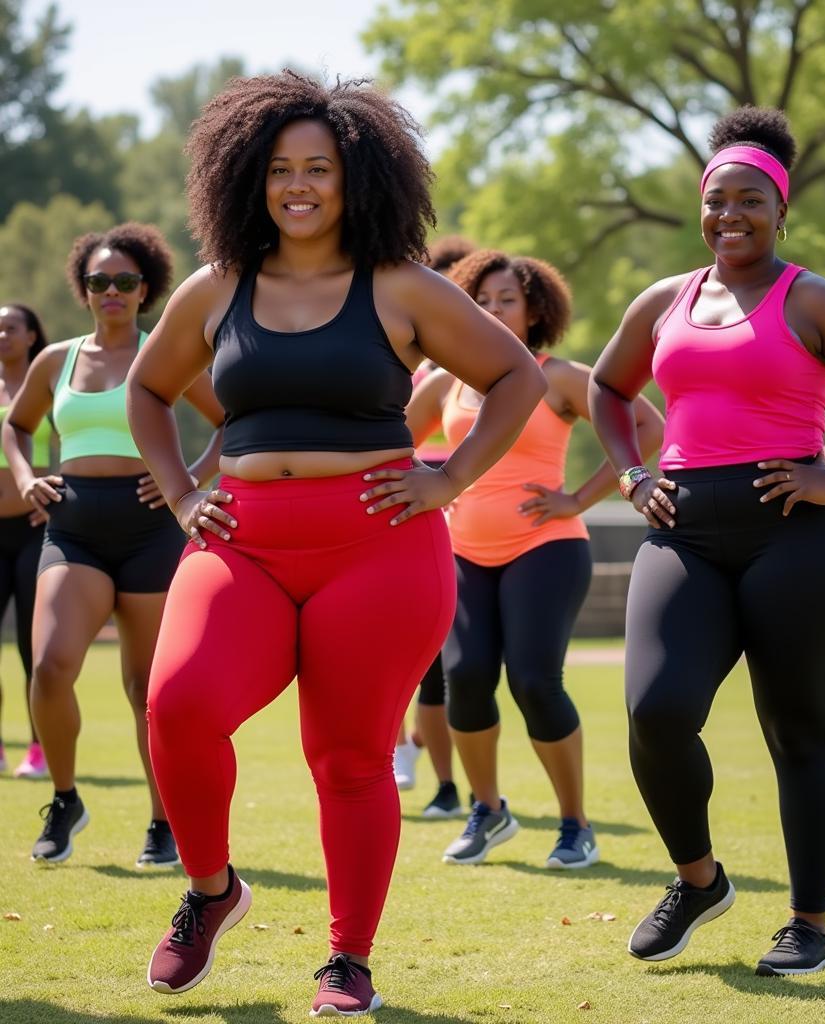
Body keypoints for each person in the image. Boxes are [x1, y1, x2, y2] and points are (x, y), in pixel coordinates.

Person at [127, 72, 545, 1017]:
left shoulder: (400, 285)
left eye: (320, 167)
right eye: (280, 169)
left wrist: (449, 478)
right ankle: (210, 891)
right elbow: (148, 392)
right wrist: (186, 490)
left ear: (358, 177)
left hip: (380, 544)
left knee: (350, 757)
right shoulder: (218, 286)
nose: (299, 185)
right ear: (249, 179)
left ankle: (347, 959)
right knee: (178, 707)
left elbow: (514, 377)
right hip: (243, 542)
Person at [588, 106, 825, 976]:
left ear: (780, 210)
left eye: (750, 200)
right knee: (656, 710)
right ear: (701, 207)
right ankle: (699, 880)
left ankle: (808, 927)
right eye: (717, 201)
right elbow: (606, 388)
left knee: (798, 733)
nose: (731, 217)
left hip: (799, 532)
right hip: (685, 531)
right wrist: (633, 475)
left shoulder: (818, 300)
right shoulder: (663, 301)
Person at [407, 248, 663, 869]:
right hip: (464, 551)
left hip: (545, 549)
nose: (493, 309)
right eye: (483, 300)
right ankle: (487, 810)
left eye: (508, 300)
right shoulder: (444, 382)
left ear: (535, 311)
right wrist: (424, 494)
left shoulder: (561, 376)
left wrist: (578, 496)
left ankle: (575, 824)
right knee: (464, 678)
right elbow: (388, 444)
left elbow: (648, 428)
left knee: (532, 680)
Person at [2, 224, 224, 869]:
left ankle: (163, 821)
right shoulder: (57, 361)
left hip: (150, 529)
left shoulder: (166, 352)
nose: (112, 292)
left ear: (146, 289)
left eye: (125, 282)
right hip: (74, 529)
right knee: (49, 666)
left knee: (145, 689)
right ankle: (65, 798)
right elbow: (16, 428)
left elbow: (229, 419)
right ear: (85, 290)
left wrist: (189, 481)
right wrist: (24, 477)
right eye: (99, 281)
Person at [393, 234, 478, 818]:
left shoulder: (472, 356)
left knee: (453, 667)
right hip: (406, 518)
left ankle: (453, 777)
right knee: (411, 656)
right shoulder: (412, 360)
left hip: (461, 523)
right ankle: (410, 750)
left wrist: (448, 482)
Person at [0, 304, 51, 779]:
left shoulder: (51, 385)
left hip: (37, 531)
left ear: (32, 335)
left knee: (33, 650)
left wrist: (56, 491)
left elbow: (71, 446)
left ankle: (39, 749)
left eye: (11, 328)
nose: (2, 335)